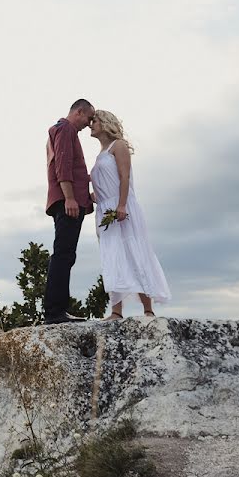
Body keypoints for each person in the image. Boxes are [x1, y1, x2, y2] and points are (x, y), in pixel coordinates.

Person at [89, 110, 170, 320]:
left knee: (134, 252)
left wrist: (122, 204)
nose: (91, 124)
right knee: (111, 257)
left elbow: (124, 177)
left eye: (94, 121)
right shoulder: (99, 155)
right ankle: (116, 310)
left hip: (122, 207)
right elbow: (103, 187)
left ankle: (148, 309)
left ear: (105, 123)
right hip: (104, 211)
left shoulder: (119, 146)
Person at [44, 99, 96, 325]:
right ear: (79, 111)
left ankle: (57, 309)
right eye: (89, 118)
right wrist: (71, 198)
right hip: (67, 202)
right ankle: (55, 311)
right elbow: (62, 166)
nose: (89, 124)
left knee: (65, 254)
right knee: (63, 254)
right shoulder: (66, 129)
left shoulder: (59, 129)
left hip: (66, 200)